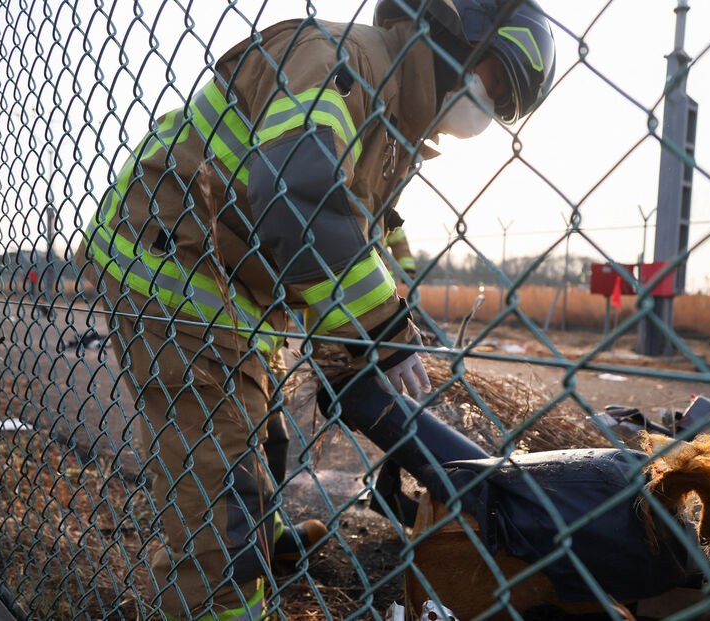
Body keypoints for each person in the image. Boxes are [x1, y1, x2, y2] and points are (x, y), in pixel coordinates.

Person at [74, 0, 555, 618]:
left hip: (233, 283)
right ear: (453, 31)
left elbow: (365, 235)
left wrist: (389, 330)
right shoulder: (344, 63)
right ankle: (225, 590)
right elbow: (299, 195)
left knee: (263, 431)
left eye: (505, 100)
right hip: (172, 266)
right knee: (220, 481)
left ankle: (264, 542)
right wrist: (380, 332)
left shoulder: (396, 127)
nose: (489, 105)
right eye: (493, 78)